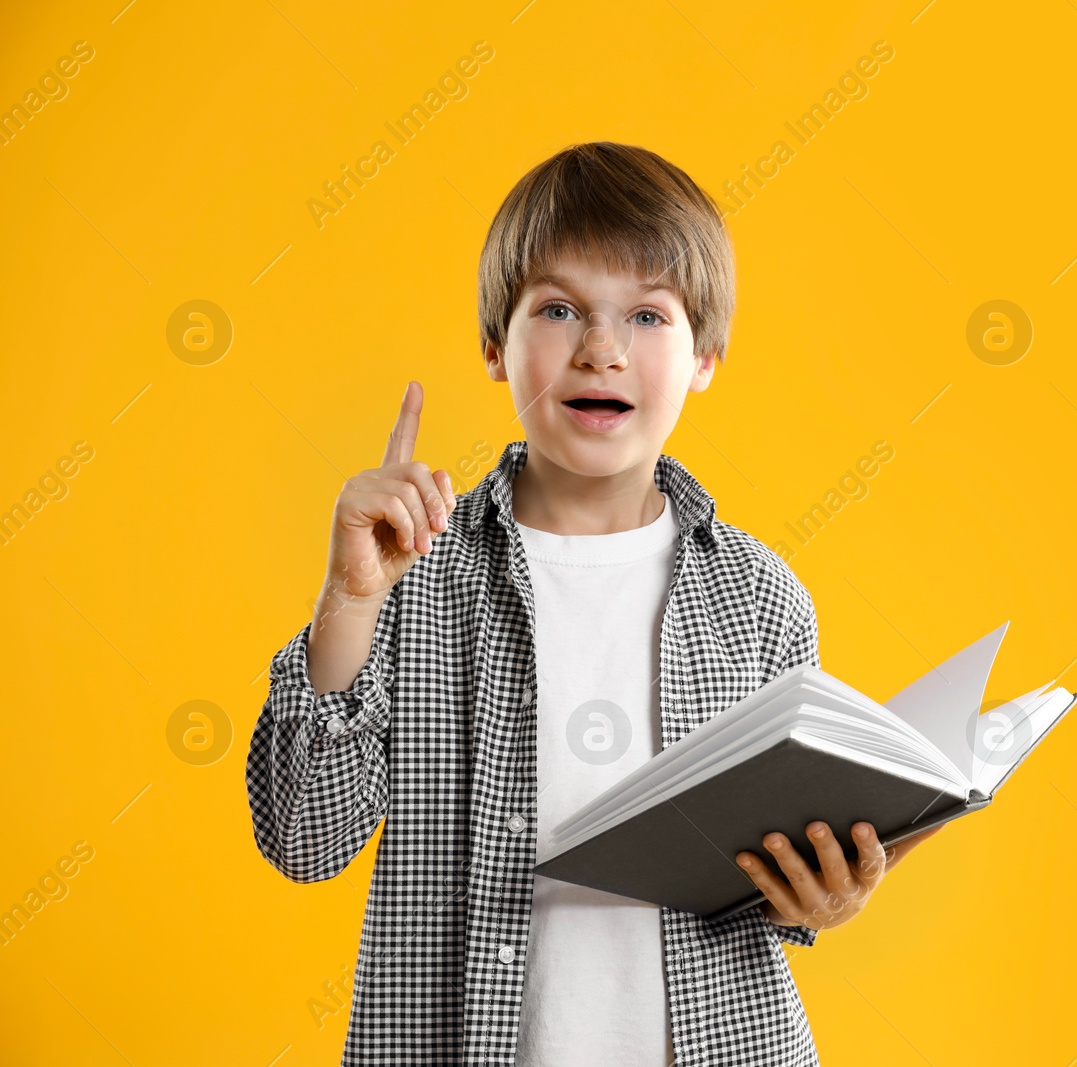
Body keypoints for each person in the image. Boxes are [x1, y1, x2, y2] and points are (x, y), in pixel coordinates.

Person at [245, 141, 940, 1066]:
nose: (601, 349)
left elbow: (774, 878)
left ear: (706, 360)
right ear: (496, 344)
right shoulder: (412, 575)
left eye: (649, 315)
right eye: (560, 308)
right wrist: (349, 597)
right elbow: (303, 835)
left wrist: (831, 895)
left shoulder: (761, 597)